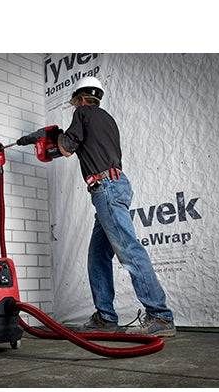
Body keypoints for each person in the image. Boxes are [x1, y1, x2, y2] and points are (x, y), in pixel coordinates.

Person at [57, 76, 176, 337]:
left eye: (75, 102)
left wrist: (54, 136)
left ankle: (161, 315)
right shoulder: (107, 119)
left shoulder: (82, 113)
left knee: (129, 250)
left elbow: (66, 148)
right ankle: (105, 318)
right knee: (97, 256)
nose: (76, 106)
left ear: (80, 99)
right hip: (115, 185)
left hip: (106, 188)